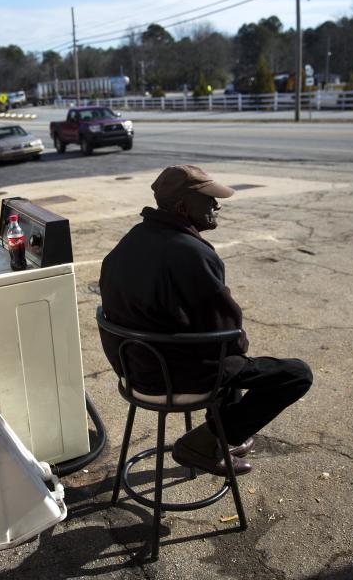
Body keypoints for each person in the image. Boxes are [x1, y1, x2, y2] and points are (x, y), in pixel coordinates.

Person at [98, 165, 313, 476]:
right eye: (210, 199)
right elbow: (228, 332)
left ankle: (220, 437)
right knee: (295, 374)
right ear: (184, 208)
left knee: (232, 361)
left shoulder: (133, 238)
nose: (218, 204)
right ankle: (204, 443)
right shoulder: (191, 252)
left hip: (135, 367)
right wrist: (238, 347)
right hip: (169, 377)